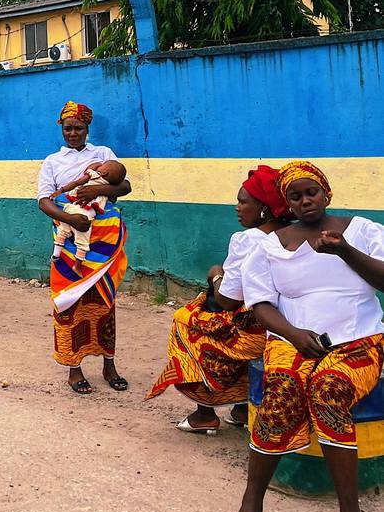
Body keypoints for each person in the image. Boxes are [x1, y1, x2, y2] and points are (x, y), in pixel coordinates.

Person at [233, 161, 384, 512]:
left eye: (311, 193)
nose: (304, 201)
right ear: (287, 203)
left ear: (326, 193)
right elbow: (260, 303)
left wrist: (344, 250)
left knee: (330, 385)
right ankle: (252, 502)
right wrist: (296, 334)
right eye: (295, 196)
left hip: (359, 338)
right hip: (291, 339)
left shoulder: (362, 231)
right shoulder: (268, 245)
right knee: (281, 390)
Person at [146, 165, 291, 433]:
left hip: (255, 332)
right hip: (285, 324)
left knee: (185, 322)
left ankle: (205, 413)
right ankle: (241, 408)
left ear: (265, 208)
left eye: (243, 201)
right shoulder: (295, 235)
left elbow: (227, 300)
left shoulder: (248, 240)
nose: (237, 207)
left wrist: (215, 274)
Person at [37, 101, 132, 394]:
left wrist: (98, 190)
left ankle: (109, 364)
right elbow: (44, 201)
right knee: (68, 302)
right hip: (69, 243)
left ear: (88, 129)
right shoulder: (52, 161)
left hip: (103, 244)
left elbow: (124, 186)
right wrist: (71, 219)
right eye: (68, 128)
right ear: (61, 129)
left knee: (104, 301)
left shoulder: (102, 154)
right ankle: (73, 368)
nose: (73, 133)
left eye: (79, 128)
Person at [51, 160, 128, 276]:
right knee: (81, 238)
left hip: (78, 209)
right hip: (90, 212)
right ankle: (76, 265)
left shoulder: (94, 175)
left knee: (68, 230)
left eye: (102, 166)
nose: (99, 165)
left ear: (104, 172)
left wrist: (61, 190)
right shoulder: (109, 186)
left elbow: (79, 180)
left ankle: (58, 254)